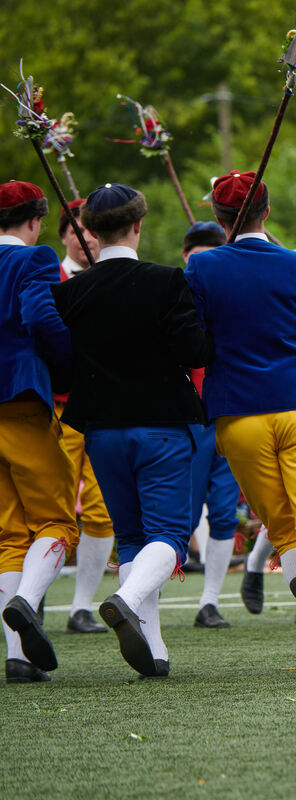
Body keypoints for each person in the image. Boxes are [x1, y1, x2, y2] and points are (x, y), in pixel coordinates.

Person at [185, 170, 296, 672]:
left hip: (237, 413)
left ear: (218, 219)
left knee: (283, 530)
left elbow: (196, 345)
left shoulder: (202, 267)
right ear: (268, 211)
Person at [51, 183, 210, 678]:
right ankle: (124, 597)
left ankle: (155, 649)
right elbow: (195, 352)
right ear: (138, 225)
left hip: (100, 431)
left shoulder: (71, 292)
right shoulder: (166, 281)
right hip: (160, 425)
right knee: (169, 538)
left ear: (91, 233)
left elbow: (63, 367)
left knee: (134, 538)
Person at [0, 180, 77, 684]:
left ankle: (18, 658)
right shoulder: (34, 259)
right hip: (20, 397)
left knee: (8, 533)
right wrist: (72, 370)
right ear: (34, 221)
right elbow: (44, 317)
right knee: (57, 522)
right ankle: (27, 602)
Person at [54, 200, 111, 635]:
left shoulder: (113, 280)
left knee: (102, 510)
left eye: (91, 230)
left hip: (102, 409)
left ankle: (81, 606)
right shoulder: (45, 277)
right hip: (55, 409)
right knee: (50, 506)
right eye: (76, 231)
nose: (85, 237)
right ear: (64, 236)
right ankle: (30, 595)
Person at [181, 221, 242, 629]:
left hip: (227, 415)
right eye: (194, 257)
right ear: (184, 258)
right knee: (177, 515)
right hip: (185, 419)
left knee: (223, 513)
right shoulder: (170, 296)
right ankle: (144, 600)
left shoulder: (236, 298)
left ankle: (210, 600)